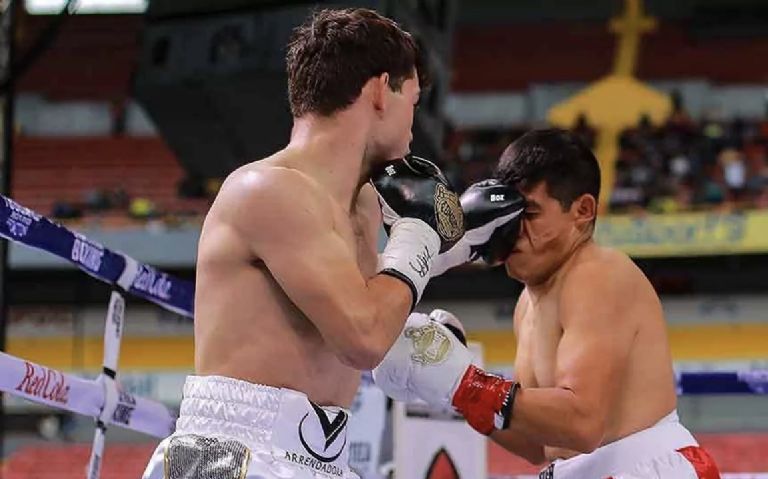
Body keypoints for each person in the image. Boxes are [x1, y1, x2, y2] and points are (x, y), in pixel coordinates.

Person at [142, 8, 520, 479]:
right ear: (380, 91)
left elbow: (370, 297)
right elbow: (364, 338)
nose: (412, 127)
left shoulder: (362, 205)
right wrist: (421, 233)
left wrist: (462, 242)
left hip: (322, 456)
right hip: (233, 452)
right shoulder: (268, 190)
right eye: (413, 101)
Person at [374, 129, 722, 478]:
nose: (509, 230)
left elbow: (582, 424)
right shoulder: (527, 304)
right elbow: (537, 445)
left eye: (529, 213)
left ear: (582, 211)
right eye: (506, 215)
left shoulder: (597, 273)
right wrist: (450, 388)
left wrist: (466, 382)